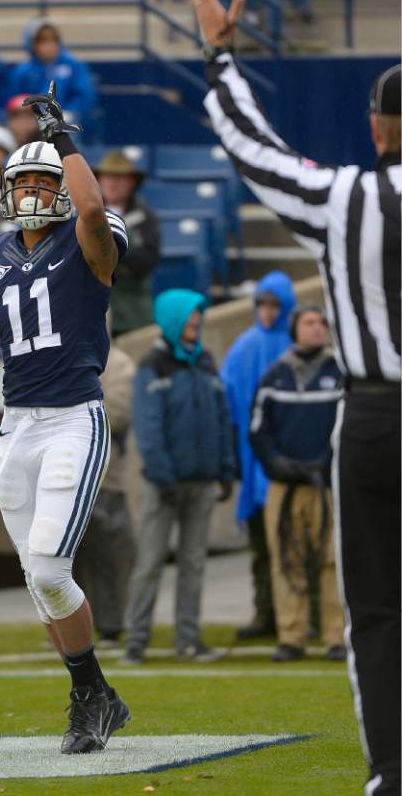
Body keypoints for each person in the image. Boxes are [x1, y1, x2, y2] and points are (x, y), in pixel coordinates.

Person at [189, 0, 400, 792]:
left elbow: (255, 151)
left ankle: (392, 769)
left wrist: (220, 53)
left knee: (377, 613)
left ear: (377, 131)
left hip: (375, 419)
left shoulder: (346, 198)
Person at [0, 84, 130, 755]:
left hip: (74, 418)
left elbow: (95, 208)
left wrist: (62, 137)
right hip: (18, 425)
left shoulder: (88, 237)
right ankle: (95, 693)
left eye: (48, 179)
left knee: (48, 570)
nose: (36, 190)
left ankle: (90, 692)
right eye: (27, 179)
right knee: (38, 577)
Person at [123, 289, 234, 664]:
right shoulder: (152, 366)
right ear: (172, 321)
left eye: (197, 317)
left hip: (201, 481)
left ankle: (189, 639)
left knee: (193, 564)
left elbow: (221, 419)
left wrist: (224, 469)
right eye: (187, 318)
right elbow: (149, 430)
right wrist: (163, 475)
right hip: (163, 485)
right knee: (150, 563)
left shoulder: (205, 362)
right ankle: (135, 641)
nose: (194, 324)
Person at [249, 303, 344, 661]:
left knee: (331, 560)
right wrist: (275, 462)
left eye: (322, 323)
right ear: (295, 330)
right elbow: (258, 428)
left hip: (326, 485)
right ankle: (292, 637)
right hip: (284, 486)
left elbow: (346, 425)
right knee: (285, 559)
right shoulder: (275, 376)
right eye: (309, 322)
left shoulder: (340, 373)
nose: (317, 328)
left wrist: (327, 461)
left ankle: (335, 637)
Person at [220, 271, 295, 639]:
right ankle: (265, 613)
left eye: (274, 305)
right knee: (261, 545)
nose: (267, 312)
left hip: (292, 460)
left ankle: (300, 616)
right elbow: (228, 404)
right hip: (253, 461)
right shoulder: (243, 347)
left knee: (298, 542)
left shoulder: (296, 347)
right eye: (262, 305)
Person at [73, 336, 136, 648]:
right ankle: (68, 625)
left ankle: (111, 624)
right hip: (66, 475)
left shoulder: (119, 363)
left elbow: (121, 412)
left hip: (105, 475)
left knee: (109, 555)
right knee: (65, 558)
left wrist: (72, 413)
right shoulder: (63, 353)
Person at [93, 151, 161, 336]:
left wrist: (107, 255)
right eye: (108, 177)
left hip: (133, 314)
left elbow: (145, 261)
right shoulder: (86, 214)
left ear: (131, 182)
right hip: (93, 312)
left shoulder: (146, 217)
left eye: (120, 178)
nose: (113, 183)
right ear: (98, 180)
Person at [9, 19, 96, 126]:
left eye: (53, 39)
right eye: (42, 40)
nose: (49, 45)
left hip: (67, 123)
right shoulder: (22, 72)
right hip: (31, 125)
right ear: (32, 44)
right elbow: (14, 102)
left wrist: (69, 112)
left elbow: (84, 96)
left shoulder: (73, 66)